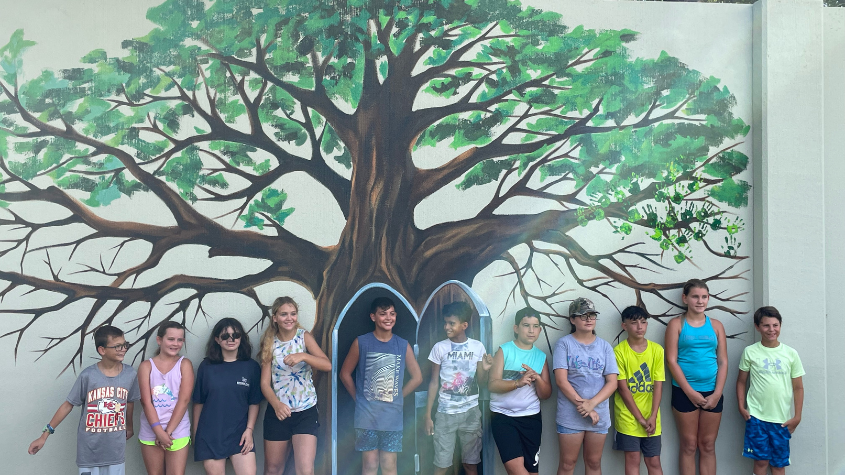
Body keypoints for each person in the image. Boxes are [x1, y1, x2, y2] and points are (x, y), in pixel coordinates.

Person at [28, 325, 141, 475]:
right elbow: (68, 405)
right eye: (117, 346)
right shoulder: (88, 376)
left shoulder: (130, 374)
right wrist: (44, 435)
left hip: (115, 452)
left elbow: (130, 402)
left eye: (125, 345)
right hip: (89, 452)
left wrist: (130, 427)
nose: (123, 349)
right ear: (102, 350)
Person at [339, 297, 423, 475]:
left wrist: (398, 396)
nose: (388, 318)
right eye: (383, 314)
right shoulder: (361, 342)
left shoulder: (402, 345)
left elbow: (417, 378)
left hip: (392, 417)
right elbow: (345, 374)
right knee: (370, 464)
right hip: (366, 417)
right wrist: (358, 398)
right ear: (373, 317)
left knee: (389, 464)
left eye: (392, 314)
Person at [258, 297, 331, 475]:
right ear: (275, 318)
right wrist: (276, 405)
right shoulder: (270, 342)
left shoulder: (304, 337)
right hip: (278, 412)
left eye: (293, 314)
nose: (289, 318)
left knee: (305, 469)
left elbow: (327, 365)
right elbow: (264, 383)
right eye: (284, 314)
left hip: (306, 410)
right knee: (273, 469)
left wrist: (303, 356)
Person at [665, 279, 728, 475]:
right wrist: (690, 392)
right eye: (695, 297)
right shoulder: (676, 324)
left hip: (712, 392)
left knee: (707, 444)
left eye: (704, 297)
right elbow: (671, 361)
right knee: (689, 444)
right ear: (685, 298)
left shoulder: (716, 326)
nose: (700, 301)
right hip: (684, 392)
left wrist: (717, 393)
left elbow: (723, 361)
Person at [424, 301, 494, 475]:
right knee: (442, 465)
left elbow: (482, 382)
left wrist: (485, 369)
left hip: (471, 413)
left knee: (471, 464)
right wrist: (427, 415)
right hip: (445, 413)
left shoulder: (477, 347)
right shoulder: (440, 347)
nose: (446, 327)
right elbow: (433, 382)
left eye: (451, 323)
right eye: (445, 322)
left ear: (464, 325)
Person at [553, 297, 619, 475]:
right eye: (583, 315)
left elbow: (612, 382)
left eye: (592, 315)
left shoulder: (605, 346)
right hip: (570, 415)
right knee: (568, 463)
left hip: (599, 415)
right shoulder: (564, 344)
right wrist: (585, 407)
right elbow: (561, 381)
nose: (589, 319)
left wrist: (592, 404)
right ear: (572, 319)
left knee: (594, 463)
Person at [736, 306, 805, 475]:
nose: (771, 329)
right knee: (761, 462)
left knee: (778, 465)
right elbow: (741, 382)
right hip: (756, 417)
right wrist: (741, 407)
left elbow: (798, 387)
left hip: (782, 420)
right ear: (757, 327)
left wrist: (797, 416)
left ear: (780, 325)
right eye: (766, 325)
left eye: (775, 325)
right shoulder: (750, 352)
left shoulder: (791, 354)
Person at [192, 318, 263, 475]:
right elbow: (198, 402)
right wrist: (196, 434)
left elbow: (254, 402)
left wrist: (249, 430)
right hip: (211, 434)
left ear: (241, 338)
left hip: (240, 433)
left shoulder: (251, 367)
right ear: (217, 339)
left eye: (236, 335)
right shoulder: (206, 367)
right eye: (225, 336)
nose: (231, 339)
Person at [488, 307, 552, 475]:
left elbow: (546, 394)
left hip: (531, 418)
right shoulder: (504, 350)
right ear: (516, 328)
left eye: (535, 326)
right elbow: (492, 384)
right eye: (526, 325)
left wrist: (537, 378)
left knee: (532, 471)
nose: (531, 330)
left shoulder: (541, 356)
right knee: (515, 470)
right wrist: (517, 382)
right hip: (503, 417)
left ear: (540, 330)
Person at [612, 306, 664, 475]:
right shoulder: (618, 352)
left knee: (653, 461)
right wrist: (640, 419)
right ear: (624, 326)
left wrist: (653, 415)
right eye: (634, 322)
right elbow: (623, 389)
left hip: (652, 417)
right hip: (628, 418)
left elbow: (658, 384)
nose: (640, 327)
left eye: (643, 322)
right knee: (633, 459)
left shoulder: (657, 350)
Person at [138, 321, 194, 475]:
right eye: (171, 339)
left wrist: (167, 432)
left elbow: (184, 400)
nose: (175, 343)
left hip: (177, 430)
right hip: (151, 430)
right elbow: (145, 402)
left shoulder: (184, 364)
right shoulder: (146, 366)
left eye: (180, 340)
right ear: (159, 340)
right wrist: (158, 432)